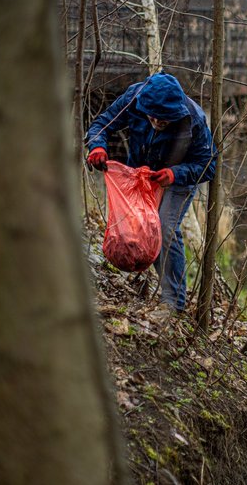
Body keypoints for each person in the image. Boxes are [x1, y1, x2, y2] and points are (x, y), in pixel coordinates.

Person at [85, 73, 217, 314]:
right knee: (138, 228)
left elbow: (208, 164)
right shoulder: (134, 97)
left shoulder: (193, 119)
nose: (157, 121)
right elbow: (101, 125)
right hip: (143, 175)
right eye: (152, 116)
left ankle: (173, 304)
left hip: (178, 177)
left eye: (164, 120)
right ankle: (143, 279)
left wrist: (174, 174)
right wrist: (98, 146)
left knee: (163, 227)